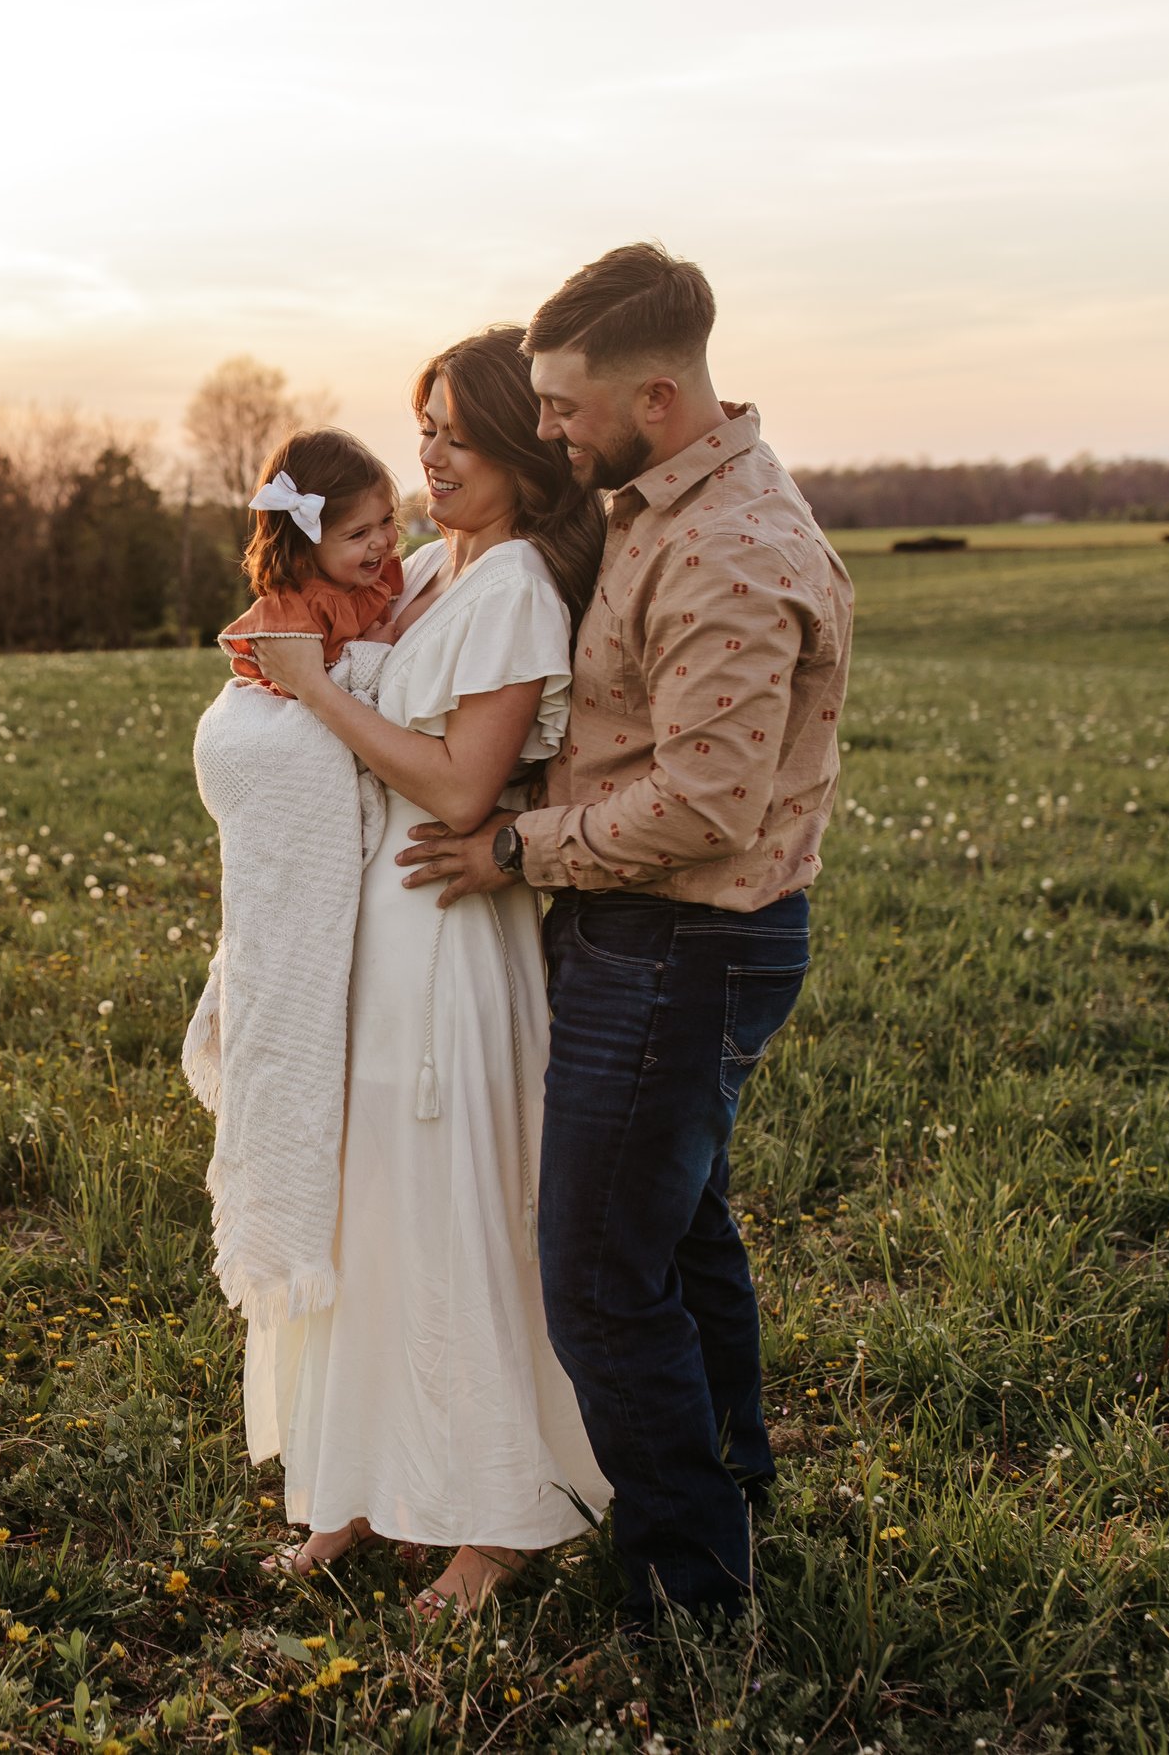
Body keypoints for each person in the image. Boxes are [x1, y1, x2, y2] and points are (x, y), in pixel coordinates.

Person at [397, 244, 854, 1625]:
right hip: (654, 932)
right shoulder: (664, 503)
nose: (544, 430)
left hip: (679, 941)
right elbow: (636, 742)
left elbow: (704, 806)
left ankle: (692, 1591)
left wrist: (513, 844)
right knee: (676, 1236)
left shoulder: (727, 548)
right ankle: (735, 1492)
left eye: (560, 406)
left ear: (655, 396)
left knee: (597, 1276)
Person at [244, 325, 612, 1613]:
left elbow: (461, 780)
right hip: (383, 935)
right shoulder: (437, 568)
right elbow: (331, 630)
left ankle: (493, 1516)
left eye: (457, 433)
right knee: (373, 1216)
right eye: (427, 429)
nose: (432, 454)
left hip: (452, 940)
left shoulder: (513, 585)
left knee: (455, 1217)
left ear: (518, 444)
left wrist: (318, 692)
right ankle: (351, 1485)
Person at [217, 428, 407, 695]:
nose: (381, 541)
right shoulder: (300, 611)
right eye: (358, 534)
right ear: (305, 547)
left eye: (386, 520)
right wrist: (371, 651)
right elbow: (305, 691)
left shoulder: (378, 577)